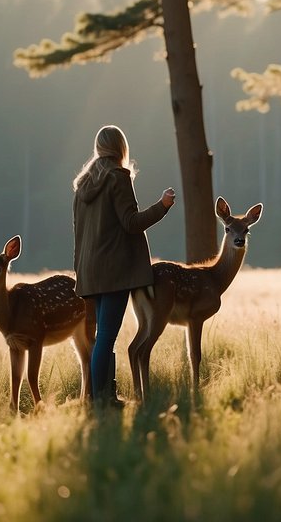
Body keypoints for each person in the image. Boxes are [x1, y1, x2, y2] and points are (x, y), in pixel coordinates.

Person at [72, 125, 175, 406]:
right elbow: (131, 223)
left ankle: (106, 395)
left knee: (103, 334)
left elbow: (78, 232)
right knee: (106, 334)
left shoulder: (82, 185)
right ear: (120, 148)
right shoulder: (118, 177)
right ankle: (98, 399)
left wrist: (81, 270)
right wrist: (162, 206)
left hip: (91, 269)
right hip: (115, 269)